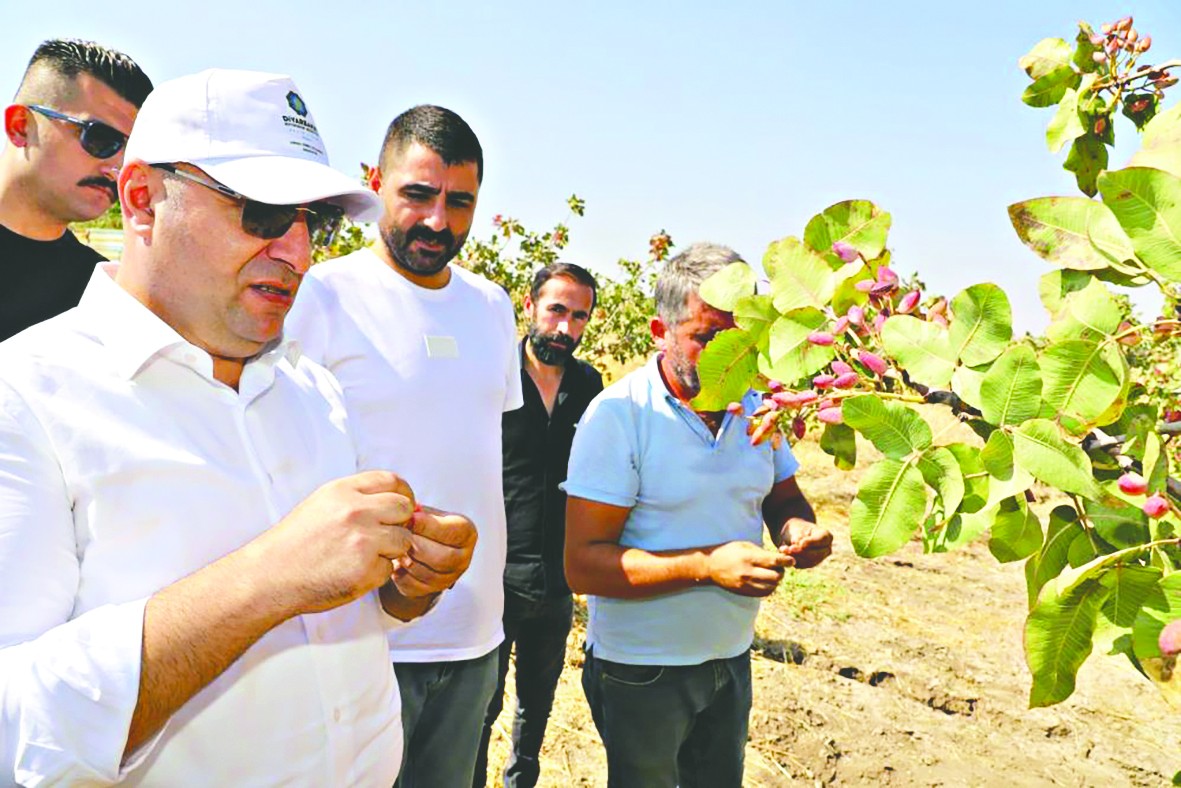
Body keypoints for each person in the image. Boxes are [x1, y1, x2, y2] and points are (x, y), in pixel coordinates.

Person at [0, 69, 477, 786]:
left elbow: (329, 618)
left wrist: (404, 588)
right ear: (141, 201)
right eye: (259, 212)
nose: (296, 252)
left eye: (310, 221)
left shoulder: (312, 389)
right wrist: (270, 575)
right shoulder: (27, 399)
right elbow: (15, 733)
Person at [285, 104, 522, 787]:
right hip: (358, 638)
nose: (437, 221)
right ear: (375, 182)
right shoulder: (321, 296)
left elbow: (482, 453)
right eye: (417, 195)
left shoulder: (491, 306)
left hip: (474, 633)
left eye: (459, 202)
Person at [563, 243, 834, 788]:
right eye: (706, 337)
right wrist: (707, 566)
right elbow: (583, 567)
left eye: (740, 339)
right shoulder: (619, 416)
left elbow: (782, 498)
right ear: (659, 332)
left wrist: (799, 529)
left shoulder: (758, 407)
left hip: (730, 661)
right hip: (641, 671)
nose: (726, 356)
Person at [475, 263, 603, 787]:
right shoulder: (494, 375)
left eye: (579, 317)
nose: (565, 329)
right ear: (530, 307)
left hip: (557, 580)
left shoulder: (589, 384)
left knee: (537, 704)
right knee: (482, 705)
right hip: (495, 575)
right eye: (556, 311)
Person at [0, 38, 151, 341]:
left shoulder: (101, 298)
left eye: (130, 151)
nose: (117, 168)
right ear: (20, 126)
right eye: (100, 139)